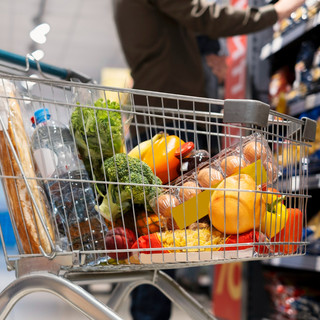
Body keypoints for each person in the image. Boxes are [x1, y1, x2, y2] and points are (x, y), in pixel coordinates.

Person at [111, 1, 305, 319]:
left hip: (158, 116)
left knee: (160, 230)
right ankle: (149, 315)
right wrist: (276, 12)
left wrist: (206, 51)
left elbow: (175, 25)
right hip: (171, 121)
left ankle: (148, 312)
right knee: (164, 234)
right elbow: (204, 16)